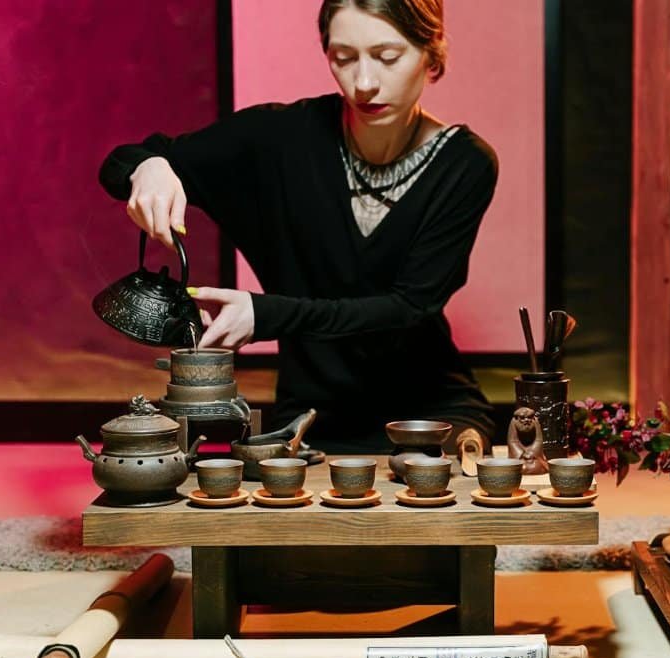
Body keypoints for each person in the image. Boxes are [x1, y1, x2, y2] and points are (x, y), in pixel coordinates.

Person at [98, 0, 497, 453]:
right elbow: (124, 160)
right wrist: (150, 167)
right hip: (311, 416)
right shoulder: (281, 139)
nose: (364, 83)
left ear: (432, 54)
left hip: (432, 411)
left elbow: (407, 308)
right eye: (343, 58)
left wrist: (264, 314)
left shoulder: (465, 164)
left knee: (440, 508)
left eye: (388, 57)